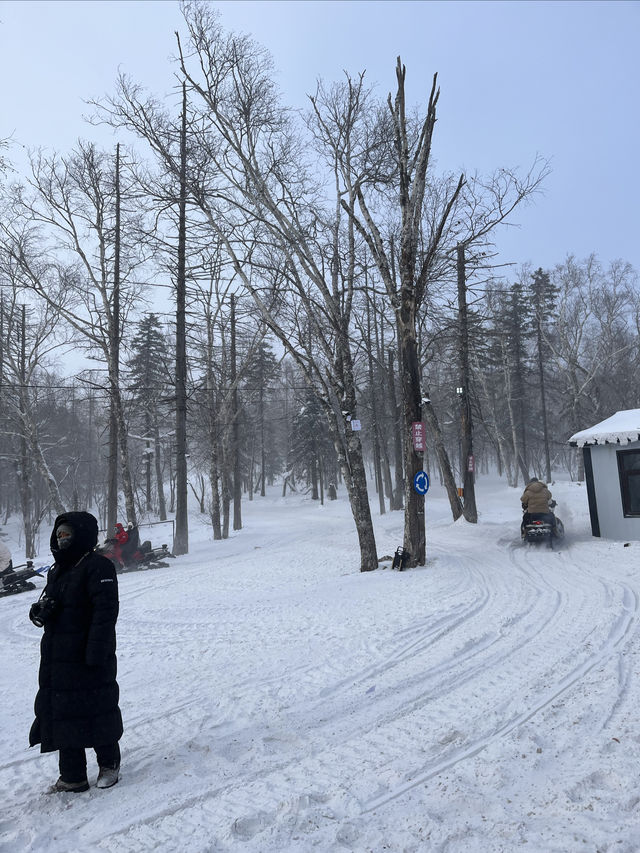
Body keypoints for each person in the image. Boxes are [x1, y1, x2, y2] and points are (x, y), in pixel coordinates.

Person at [29, 511, 123, 793]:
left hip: (90, 654)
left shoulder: (98, 567)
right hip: (58, 657)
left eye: (67, 534)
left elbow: (105, 614)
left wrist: (96, 652)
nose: (62, 539)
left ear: (81, 535)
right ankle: (73, 776)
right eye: (59, 534)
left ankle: (109, 764)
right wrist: (39, 611)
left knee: (97, 708)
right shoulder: (58, 569)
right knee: (63, 713)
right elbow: (52, 602)